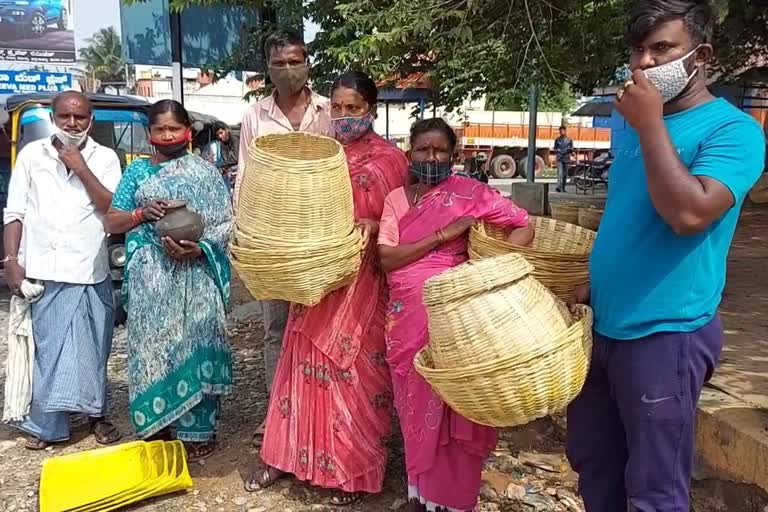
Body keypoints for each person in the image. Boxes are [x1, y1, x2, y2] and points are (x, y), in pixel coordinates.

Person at [566, 1, 766, 511]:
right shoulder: (632, 126)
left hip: (667, 335)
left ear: (702, 56)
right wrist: (601, 282)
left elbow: (690, 214)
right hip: (605, 325)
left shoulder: (733, 131)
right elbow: (631, 216)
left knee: (656, 489)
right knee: (596, 466)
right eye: (639, 50)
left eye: (663, 48)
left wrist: (651, 124)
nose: (647, 62)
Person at [243, 71, 409, 506]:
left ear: (371, 109)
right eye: (337, 107)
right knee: (299, 368)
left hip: (363, 281)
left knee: (354, 375)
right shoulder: (323, 153)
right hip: (315, 277)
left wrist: (376, 227)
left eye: (353, 107)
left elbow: (402, 222)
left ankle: (352, 473)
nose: (343, 115)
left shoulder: (390, 159)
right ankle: (291, 458)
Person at [378, 118, 534, 512]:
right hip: (407, 321)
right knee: (413, 405)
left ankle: (451, 501)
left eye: (439, 151)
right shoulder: (396, 199)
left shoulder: (470, 194)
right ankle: (419, 493)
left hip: (456, 320)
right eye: (422, 151)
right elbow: (386, 258)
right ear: (409, 153)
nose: (431, 158)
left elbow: (523, 226)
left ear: (454, 155)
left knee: (456, 405)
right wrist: (443, 236)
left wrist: (489, 267)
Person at [104, 100, 234, 462]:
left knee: (196, 338)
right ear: (149, 134)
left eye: (173, 129)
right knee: (152, 348)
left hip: (196, 274)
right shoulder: (137, 174)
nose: (167, 135)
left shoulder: (205, 173)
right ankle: (157, 424)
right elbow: (111, 222)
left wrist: (200, 248)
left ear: (187, 132)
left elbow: (226, 223)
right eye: (159, 129)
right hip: (152, 278)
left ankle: (198, 431)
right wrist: (140, 213)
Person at [3, 91, 122, 449]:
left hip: (89, 267)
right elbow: (15, 212)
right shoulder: (31, 155)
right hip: (45, 267)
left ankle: (96, 414)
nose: (73, 124)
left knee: (94, 348)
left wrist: (80, 166)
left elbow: (112, 208)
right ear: (53, 116)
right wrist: (11, 262)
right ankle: (48, 425)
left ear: (91, 119)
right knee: (50, 350)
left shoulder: (105, 157)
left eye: (81, 117)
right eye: (65, 116)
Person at [236, 30, 334, 448]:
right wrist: (244, 234)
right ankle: (278, 414)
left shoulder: (331, 110)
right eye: (280, 64)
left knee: (323, 325)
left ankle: (323, 414)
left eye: (296, 61)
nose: (289, 70)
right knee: (275, 327)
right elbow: (244, 176)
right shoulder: (254, 117)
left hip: (320, 237)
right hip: (272, 240)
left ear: (307, 62)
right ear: (268, 69)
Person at [205, 122, 238, 191]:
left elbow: (235, 158)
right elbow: (225, 159)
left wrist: (217, 165)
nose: (220, 136)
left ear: (226, 130)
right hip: (230, 176)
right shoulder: (222, 143)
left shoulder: (235, 140)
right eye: (218, 135)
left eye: (221, 132)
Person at [553, 126, 573, 192]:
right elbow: (555, 148)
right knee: (560, 173)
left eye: (563, 131)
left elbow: (572, 149)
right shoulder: (557, 140)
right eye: (561, 131)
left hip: (566, 158)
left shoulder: (569, 140)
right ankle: (558, 187)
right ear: (559, 132)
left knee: (565, 174)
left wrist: (569, 151)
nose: (562, 132)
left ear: (565, 131)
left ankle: (563, 188)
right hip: (559, 158)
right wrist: (558, 151)